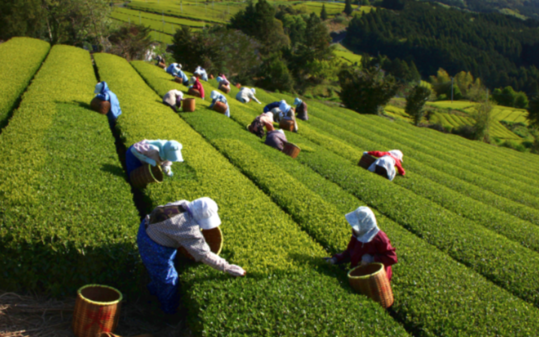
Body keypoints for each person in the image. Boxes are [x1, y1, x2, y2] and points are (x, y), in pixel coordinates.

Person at [138, 197, 246, 314]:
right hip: (153, 246)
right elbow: (204, 254)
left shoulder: (183, 204)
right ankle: (167, 311)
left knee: (160, 271)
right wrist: (227, 267)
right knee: (168, 280)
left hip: (145, 227)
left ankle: (153, 289)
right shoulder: (186, 226)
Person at [325, 206, 397, 281]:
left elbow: (392, 258)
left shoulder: (380, 238)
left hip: (376, 278)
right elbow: (350, 252)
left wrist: (372, 259)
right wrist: (336, 259)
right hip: (358, 273)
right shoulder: (357, 234)